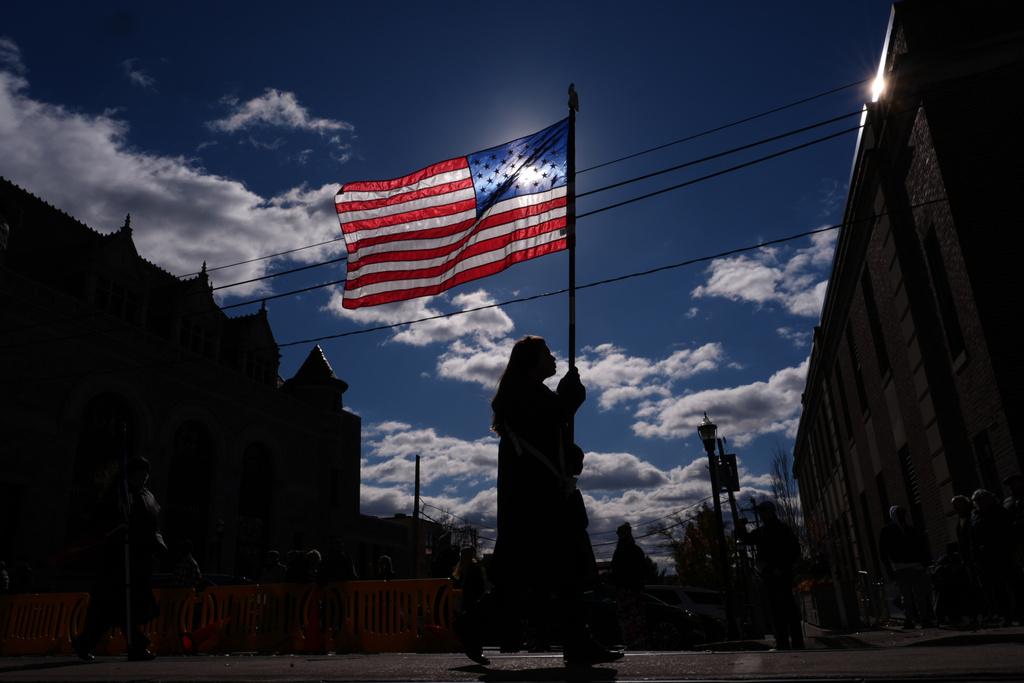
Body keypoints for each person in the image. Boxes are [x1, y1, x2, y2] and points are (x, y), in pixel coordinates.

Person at [456, 335, 621, 667]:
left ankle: (575, 642)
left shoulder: (529, 395)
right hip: (535, 506)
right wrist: (570, 396)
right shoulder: (521, 394)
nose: (553, 357)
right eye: (547, 352)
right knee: (536, 577)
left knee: (553, 574)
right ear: (531, 359)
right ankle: (574, 643)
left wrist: (570, 454)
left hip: (540, 503)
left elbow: (548, 437)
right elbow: (549, 417)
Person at [72, 456, 167, 662]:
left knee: (120, 607)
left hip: (139, 560)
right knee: (120, 605)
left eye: (146, 472)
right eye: (140, 471)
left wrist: (159, 544)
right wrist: (118, 531)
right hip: (119, 560)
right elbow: (99, 523)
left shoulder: (148, 496)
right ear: (131, 473)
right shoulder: (118, 495)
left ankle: (87, 642)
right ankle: (137, 645)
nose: (145, 475)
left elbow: (153, 525)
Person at [737, 500, 804, 650]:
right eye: (759, 511)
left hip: (781, 576)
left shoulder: (782, 529)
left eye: (763, 511)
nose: (761, 514)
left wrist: (782, 568)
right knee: (775, 611)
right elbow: (747, 539)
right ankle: (782, 643)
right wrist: (741, 528)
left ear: (772, 511)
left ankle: (798, 643)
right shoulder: (760, 531)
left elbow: (794, 550)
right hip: (768, 576)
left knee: (788, 609)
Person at [878, 505, 934, 629]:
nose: (902, 516)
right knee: (906, 595)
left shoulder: (910, 530)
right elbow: (883, 551)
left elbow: (921, 547)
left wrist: (924, 563)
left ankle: (923, 618)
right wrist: (888, 568)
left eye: (903, 514)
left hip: (915, 567)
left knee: (919, 594)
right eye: (899, 514)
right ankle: (910, 618)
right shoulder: (888, 531)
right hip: (901, 567)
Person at [969, 489, 1016, 626]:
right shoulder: (975, 516)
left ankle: (1018, 613)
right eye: (976, 501)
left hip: (1003, 553)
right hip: (986, 557)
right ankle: (1005, 616)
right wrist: (976, 558)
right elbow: (973, 539)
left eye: (980, 500)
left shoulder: (1000, 512)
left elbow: (1010, 532)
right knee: (997, 588)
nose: (978, 503)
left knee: (1013, 585)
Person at [611, 523, 649, 649]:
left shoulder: (625, 551)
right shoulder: (629, 550)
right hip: (630, 590)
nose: (620, 536)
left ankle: (635, 642)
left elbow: (639, 571)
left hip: (630, 591)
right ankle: (635, 642)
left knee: (630, 618)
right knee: (632, 618)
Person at [451, 546, 486, 611]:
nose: (461, 558)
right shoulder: (465, 568)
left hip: (470, 599)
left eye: (463, 556)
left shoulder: (471, 569)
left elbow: (479, 586)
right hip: (468, 599)